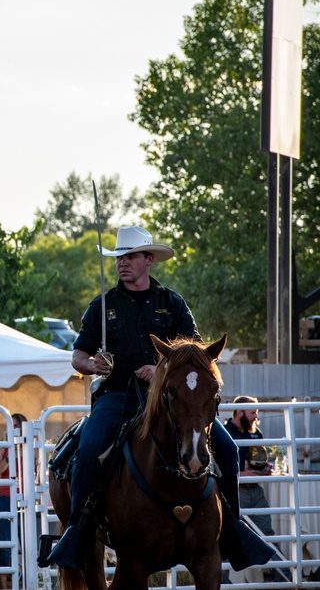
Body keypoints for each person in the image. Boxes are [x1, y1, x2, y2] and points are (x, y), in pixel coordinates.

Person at [46, 225, 267, 570]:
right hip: (117, 395)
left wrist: (158, 368)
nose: (123, 264)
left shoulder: (172, 303)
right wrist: (93, 364)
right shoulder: (102, 306)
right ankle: (76, 531)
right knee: (88, 449)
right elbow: (78, 355)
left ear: (149, 260)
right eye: (120, 258)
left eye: (131, 257)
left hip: (171, 398)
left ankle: (234, 529)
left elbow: (196, 354)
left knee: (227, 448)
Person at [224, 395, 283, 580]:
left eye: (256, 412)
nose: (256, 416)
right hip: (235, 491)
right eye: (252, 412)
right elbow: (219, 465)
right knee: (229, 534)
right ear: (239, 412)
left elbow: (259, 459)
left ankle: (285, 576)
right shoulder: (225, 433)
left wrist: (265, 468)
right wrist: (241, 475)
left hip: (256, 490)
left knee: (267, 533)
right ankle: (221, 581)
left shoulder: (256, 434)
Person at [0, 413, 27, 590]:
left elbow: (37, 469)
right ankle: (5, 587)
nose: (12, 429)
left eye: (15, 425)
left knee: (28, 543)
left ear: (22, 427)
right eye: (10, 425)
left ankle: (28, 582)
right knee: (5, 542)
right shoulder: (2, 447)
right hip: (5, 498)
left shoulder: (30, 446)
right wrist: (8, 457)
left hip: (26, 499)